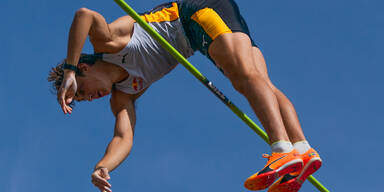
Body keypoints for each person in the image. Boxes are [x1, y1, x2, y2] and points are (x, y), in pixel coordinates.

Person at [48, 0, 322, 191]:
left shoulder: (108, 42)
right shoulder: (123, 96)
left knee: (243, 78)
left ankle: (281, 150)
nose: (91, 97)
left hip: (196, 12)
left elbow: (83, 14)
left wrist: (68, 71)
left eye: (82, 91)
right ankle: (301, 150)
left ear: (84, 67)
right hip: (199, 33)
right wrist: (102, 166)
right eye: (85, 100)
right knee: (262, 83)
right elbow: (123, 137)